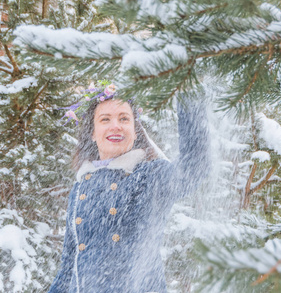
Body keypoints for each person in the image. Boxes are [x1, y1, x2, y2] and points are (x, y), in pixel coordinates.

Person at [48, 82, 210, 293]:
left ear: (135, 132)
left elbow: (194, 167)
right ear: (93, 133)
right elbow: (69, 267)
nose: (115, 125)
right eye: (105, 119)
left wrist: (189, 88)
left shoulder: (150, 177)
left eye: (124, 118)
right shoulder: (79, 189)